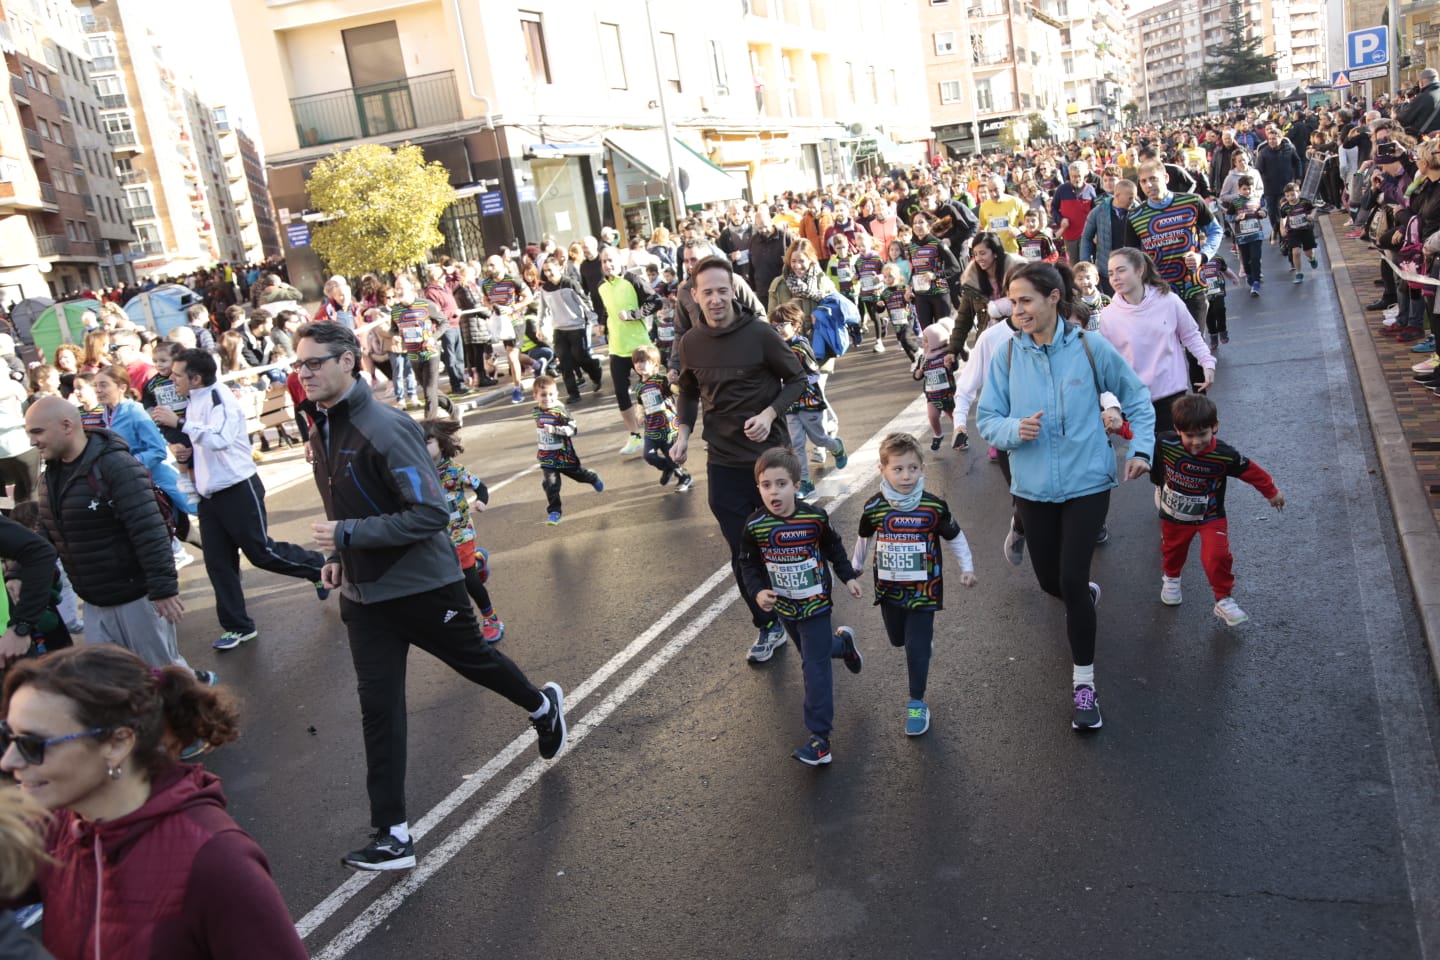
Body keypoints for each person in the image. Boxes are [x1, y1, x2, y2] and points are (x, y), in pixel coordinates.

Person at [294, 321, 567, 871]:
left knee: (478, 662)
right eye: (298, 366)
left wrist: (348, 536)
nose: (304, 374)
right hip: (363, 596)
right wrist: (333, 557)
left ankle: (542, 706)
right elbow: (339, 510)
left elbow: (429, 513)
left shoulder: (385, 426)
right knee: (379, 708)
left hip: (422, 585)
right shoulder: (323, 428)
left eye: (313, 363)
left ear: (348, 361)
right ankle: (393, 833)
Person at [0, 645, 307, 958]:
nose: (8, 761)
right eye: (7, 737)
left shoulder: (216, 861)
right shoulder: (56, 826)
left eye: (31, 744)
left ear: (118, 743)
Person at [976, 261, 1156, 731]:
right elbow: (987, 418)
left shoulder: (1090, 348)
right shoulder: (1008, 357)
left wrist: (1141, 449)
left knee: (1072, 581)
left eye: (1026, 301)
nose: (1018, 311)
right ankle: (1058, 568)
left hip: (1087, 483)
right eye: (1013, 303)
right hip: (1033, 487)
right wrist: (1014, 429)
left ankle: (1084, 686)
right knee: (1049, 583)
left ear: (1054, 298)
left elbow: (1136, 397)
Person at [672, 255, 806, 664]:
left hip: (769, 461)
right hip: (724, 462)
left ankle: (807, 611)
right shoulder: (690, 343)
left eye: (721, 290)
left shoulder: (761, 334)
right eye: (707, 292)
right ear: (694, 296)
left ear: (734, 291)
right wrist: (682, 433)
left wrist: (769, 414)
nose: (715, 299)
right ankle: (767, 626)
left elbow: (798, 380)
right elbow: (690, 391)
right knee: (743, 551)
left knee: (784, 544)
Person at [153, 349, 328, 652]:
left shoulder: (220, 398)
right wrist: (187, 451)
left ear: (195, 378)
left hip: (238, 487)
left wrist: (181, 426)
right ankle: (238, 626)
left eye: (178, 375)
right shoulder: (191, 399)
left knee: (260, 552)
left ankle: (315, 566)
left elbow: (220, 438)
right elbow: (204, 440)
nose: (171, 378)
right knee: (218, 563)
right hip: (210, 495)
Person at [24, 397, 189, 671]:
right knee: (114, 685)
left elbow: (149, 529)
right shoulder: (51, 475)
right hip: (95, 603)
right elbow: (47, 532)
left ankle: (200, 709)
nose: (32, 441)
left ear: (66, 425)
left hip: (138, 600)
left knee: (164, 680)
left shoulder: (116, 466)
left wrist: (163, 589)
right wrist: (19, 571)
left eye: (37, 432)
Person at [738, 448, 862, 766]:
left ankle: (820, 740)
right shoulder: (755, 525)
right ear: (759, 488)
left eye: (781, 483)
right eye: (766, 485)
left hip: (816, 605)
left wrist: (847, 576)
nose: (773, 491)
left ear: (796, 485)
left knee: (813, 666)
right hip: (786, 608)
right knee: (815, 653)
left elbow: (833, 546)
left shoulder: (814, 518)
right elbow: (747, 565)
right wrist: (758, 592)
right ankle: (844, 645)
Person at [850, 432, 976, 737]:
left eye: (912, 468)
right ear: (882, 470)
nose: (906, 476)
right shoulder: (874, 507)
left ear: (922, 468)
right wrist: (854, 567)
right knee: (897, 640)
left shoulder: (933, 507)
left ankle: (917, 703)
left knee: (916, 649)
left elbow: (955, 536)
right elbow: (864, 536)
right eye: (898, 469)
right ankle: (915, 643)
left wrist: (967, 568)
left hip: (924, 592)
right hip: (890, 590)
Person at [1153, 393, 1284, 627]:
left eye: (1202, 434)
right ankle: (1171, 579)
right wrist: (1119, 426)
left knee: (1218, 555)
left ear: (1215, 427)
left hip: (1210, 516)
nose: (1195, 442)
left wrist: (1271, 492)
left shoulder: (1224, 455)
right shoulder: (1165, 442)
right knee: (1173, 550)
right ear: (1177, 430)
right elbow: (1139, 436)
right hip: (1175, 516)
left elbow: (1251, 471)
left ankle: (1224, 599)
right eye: (1188, 436)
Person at [1102, 247, 1216, 439]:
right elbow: (1106, 368)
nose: (1115, 278)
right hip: (1136, 402)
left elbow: (1191, 335)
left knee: (1177, 460)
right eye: (1111, 273)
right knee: (1153, 463)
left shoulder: (1169, 301)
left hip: (1173, 396)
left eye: (1121, 270)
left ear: (1139, 270)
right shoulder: (1108, 316)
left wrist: (1207, 362)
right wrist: (1111, 404)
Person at [422, 418, 504, 643]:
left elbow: (480, 486)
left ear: (440, 443)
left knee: (466, 580)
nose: (423, 448)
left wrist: (481, 501)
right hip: (436, 536)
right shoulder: (419, 475)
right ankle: (478, 562)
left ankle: (491, 618)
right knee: (443, 579)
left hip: (460, 533)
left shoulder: (454, 471)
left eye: (427, 442)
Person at [1130, 159, 1223, 344]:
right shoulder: (1134, 216)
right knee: (1167, 349)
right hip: (1158, 292)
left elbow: (1215, 231)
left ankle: (1200, 372)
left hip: (1193, 286)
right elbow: (1131, 257)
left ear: (1165, 177)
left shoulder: (1191, 202)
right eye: (1143, 181)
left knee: (1194, 346)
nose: (1148, 185)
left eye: (1153, 179)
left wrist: (1202, 256)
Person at [770, 303, 848, 497]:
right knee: (796, 443)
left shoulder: (801, 346)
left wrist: (793, 382)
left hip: (809, 400)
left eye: (782, 325)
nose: (778, 330)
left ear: (796, 325)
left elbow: (813, 375)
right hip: (789, 402)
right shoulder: (776, 347)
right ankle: (804, 481)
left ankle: (836, 446)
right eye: (774, 326)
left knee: (818, 438)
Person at [595, 247, 663, 455]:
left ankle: (661, 429)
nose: (608, 264)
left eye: (611, 260)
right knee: (621, 393)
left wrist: (634, 314)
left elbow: (655, 301)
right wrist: (602, 324)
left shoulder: (632, 280)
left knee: (651, 390)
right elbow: (607, 310)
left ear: (619, 260)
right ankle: (635, 436)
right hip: (616, 348)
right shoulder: (601, 287)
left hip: (639, 346)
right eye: (604, 261)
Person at [531, 375, 603, 526]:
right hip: (547, 457)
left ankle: (592, 477)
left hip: (564, 457)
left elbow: (573, 429)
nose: (547, 398)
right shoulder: (536, 412)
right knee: (552, 483)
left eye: (551, 394)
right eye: (543, 395)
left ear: (556, 394)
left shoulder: (561, 412)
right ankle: (554, 512)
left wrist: (556, 430)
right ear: (535, 396)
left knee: (579, 476)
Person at [536, 258, 602, 404]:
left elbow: (584, 303)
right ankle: (573, 393)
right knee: (565, 362)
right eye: (545, 271)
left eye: (550, 270)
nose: (548, 273)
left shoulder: (570, 284)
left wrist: (595, 322)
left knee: (580, 356)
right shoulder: (545, 289)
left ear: (560, 268)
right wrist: (539, 326)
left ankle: (595, 371)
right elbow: (542, 309)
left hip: (576, 326)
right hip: (559, 328)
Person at [630, 346, 692, 493]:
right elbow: (640, 404)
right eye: (637, 362)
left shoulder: (662, 380)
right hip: (651, 429)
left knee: (672, 456)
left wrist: (677, 384)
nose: (640, 365)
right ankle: (668, 468)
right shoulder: (639, 387)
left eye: (644, 361)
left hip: (668, 427)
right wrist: (639, 415)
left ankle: (684, 477)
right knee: (649, 455)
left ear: (655, 364)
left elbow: (675, 391)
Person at [390, 274, 445, 417]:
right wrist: (395, 336)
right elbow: (394, 329)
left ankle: (430, 427)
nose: (398, 291)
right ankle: (454, 410)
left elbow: (444, 322)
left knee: (428, 391)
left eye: (401, 288)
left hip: (431, 352)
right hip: (413, 354)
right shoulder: (395, 311)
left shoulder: (426, 305)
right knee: (430, 390)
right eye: (396, 288)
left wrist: (433, 338)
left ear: (411, 288)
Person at [914, 324, 961, 451]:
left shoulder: (946, 355)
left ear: (935, 342)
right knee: (932, 416)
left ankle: (961, 435)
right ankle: (938, 435)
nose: (923, 344)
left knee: (954, 416)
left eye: (926, 341)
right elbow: (917, 374)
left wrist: (950, 364)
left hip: (947, 394)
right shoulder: (923, 358)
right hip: (932, 395)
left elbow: (955, 366)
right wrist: (917, 374)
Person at [1254, 126, 1303, 241]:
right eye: (1270, 139)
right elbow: (1257, 171)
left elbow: (1297, 162)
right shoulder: (1263, 152)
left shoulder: (1289, 149)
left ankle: (1287, 232)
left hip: (1286, 186)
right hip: (1270, 188)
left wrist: (1298, 178)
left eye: (1274, 139)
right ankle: (1276, 230)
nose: (1272, 141)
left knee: (1285, 210)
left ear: (1281, 138)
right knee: (1272, 213)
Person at [1225, 178, 1268, 295]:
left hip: (1256, 235)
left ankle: (1256, 283)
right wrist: (1236, 218)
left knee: (1255, 258)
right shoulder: (1235, 202)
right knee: (1246, 260)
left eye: (1249, 188)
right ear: (1239, 189)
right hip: (1242, 238)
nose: (1247, 191)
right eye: (1244, 189)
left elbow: (1264, 211)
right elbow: (1228, 217)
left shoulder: (1258, 200)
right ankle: (1249, 275)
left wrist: (1263, 214)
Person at [1051, 159, 1098, 263]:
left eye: (1079, 176)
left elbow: (1095, 212)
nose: (1076, 179)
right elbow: (1053, 208)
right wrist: (1060, 219)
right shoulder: (1061, 190)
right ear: (1069, 175)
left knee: (1086, 262)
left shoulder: (1090, 189)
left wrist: (1096, 232)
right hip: (1070, 235)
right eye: (1073, 176)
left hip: (1086, 234)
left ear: (1084, 175)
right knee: (1074, 264)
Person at [1277, 180, 1320, 284]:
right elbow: (1282, 218)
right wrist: (1282, 229)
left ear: (1299, 192)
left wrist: (1311, 216)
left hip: (1306, 230)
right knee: (1295, 252)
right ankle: (1299, 273)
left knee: (1308, 252)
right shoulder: (1285, 207)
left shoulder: (1305, 202)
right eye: (1287, 196)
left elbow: (1314, 208)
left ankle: (1312, 259)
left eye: (1293, 194)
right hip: (1293, 232)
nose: (1290, 198)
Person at [1398, 68, 1440, 138]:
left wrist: (1404, 105)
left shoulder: (1424, 97)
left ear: (1422, 83)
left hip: (1427, 141)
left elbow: (1403, 119)